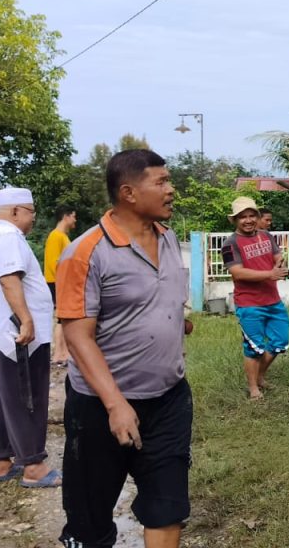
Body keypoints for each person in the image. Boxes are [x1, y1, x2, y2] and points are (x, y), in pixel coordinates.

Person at [56, 149, 193, 548]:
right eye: (162, 182)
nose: (171, 190)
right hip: (100, 406)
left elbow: (158, 302)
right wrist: (115, 404)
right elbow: (77, 335)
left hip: (168, 399)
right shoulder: (84, 252)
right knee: (90, 521)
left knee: (168, 507)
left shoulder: (168, 239)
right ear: (129, 193)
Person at [0, 187, 60, 488]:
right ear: (14, 211)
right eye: (30, 211)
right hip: (17, 335)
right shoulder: (9, 237)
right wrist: (27, 319)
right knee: (27, 397)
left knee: (2, 399)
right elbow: (9, 279)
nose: (33, 218)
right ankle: (34, 466)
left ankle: (2, 461)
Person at [222, 197, 289, 399]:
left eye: (252, 215)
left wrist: (280, 263)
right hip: (249, 304)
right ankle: (253, 388)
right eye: (243, 217)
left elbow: (277, 255)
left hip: (273, 300)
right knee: (254, 348)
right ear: (234, 220)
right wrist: (270, 274)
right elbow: (238, 273)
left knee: (280, 341)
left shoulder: (266, 236)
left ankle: (260, 376)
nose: (248, 220)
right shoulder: (229, 244)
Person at [45, 207, 77, 365]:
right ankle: (59, 354)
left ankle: (64, 352)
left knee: (63, 317)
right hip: (57, 282)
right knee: (61, 318)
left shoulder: (62, 236)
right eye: (73, 216)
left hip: (63, 281)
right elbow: (53, 263)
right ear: (66, 216)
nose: (75, 220)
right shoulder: (55, 236)